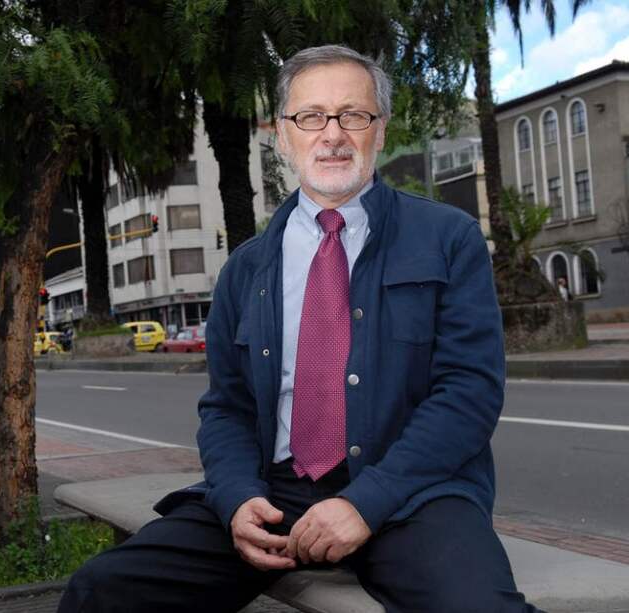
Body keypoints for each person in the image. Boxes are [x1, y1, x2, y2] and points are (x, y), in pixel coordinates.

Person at [59, 45, 538, 613]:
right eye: (310, 117)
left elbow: (469, 392)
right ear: (283, 136)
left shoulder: (448, 239)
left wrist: (366, 501)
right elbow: (227, 408)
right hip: (275, 492)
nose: (331, 134)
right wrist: (237, 499)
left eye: (352, 115)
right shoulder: (245, 268)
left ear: (379, 131)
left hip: (413, 492)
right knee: (102, 591)